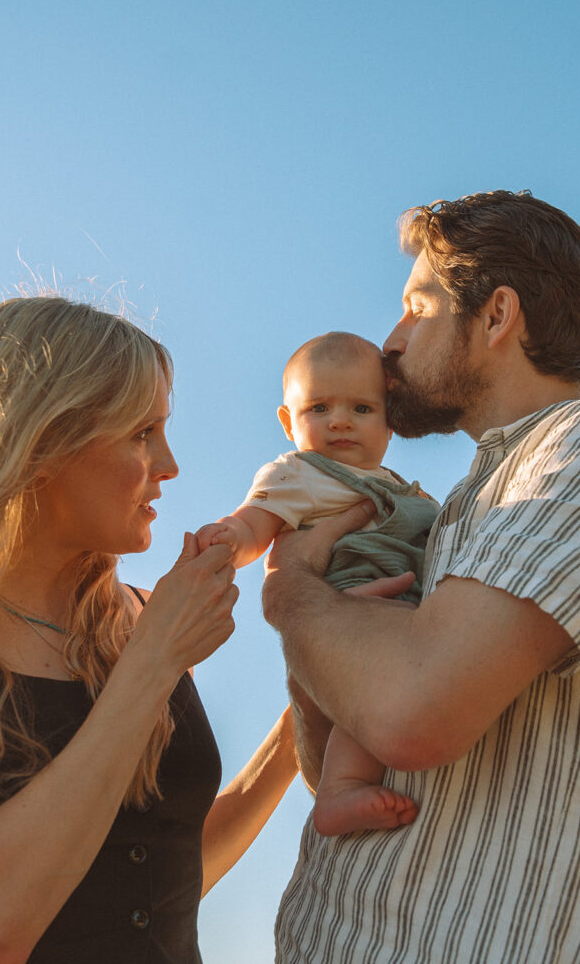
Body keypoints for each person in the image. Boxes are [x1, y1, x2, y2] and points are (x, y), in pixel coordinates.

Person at [263, 190, 580, 964]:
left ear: (496, 316)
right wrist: (327, 639)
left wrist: (292, 597)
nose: (388, 343)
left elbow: (412, 714)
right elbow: (334, 767)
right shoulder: (457, 507)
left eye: (416, 309)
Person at [0, 295, 298, 964]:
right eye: (142, 433)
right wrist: (155, 659)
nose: (170, 464)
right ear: (41, 442)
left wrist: (297, 736)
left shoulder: (141, 618)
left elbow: (161, 881)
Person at [196, 331, 439, 836]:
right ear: (289, 422)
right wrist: (230, 537)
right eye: (320, 408)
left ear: (391, 420)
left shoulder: (402, 489)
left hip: (407, 601)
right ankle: (341, 787)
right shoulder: (299, 473)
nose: (340, 421)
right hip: (346, 599)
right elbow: (256, 521)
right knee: (365, 680)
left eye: (362, 409)